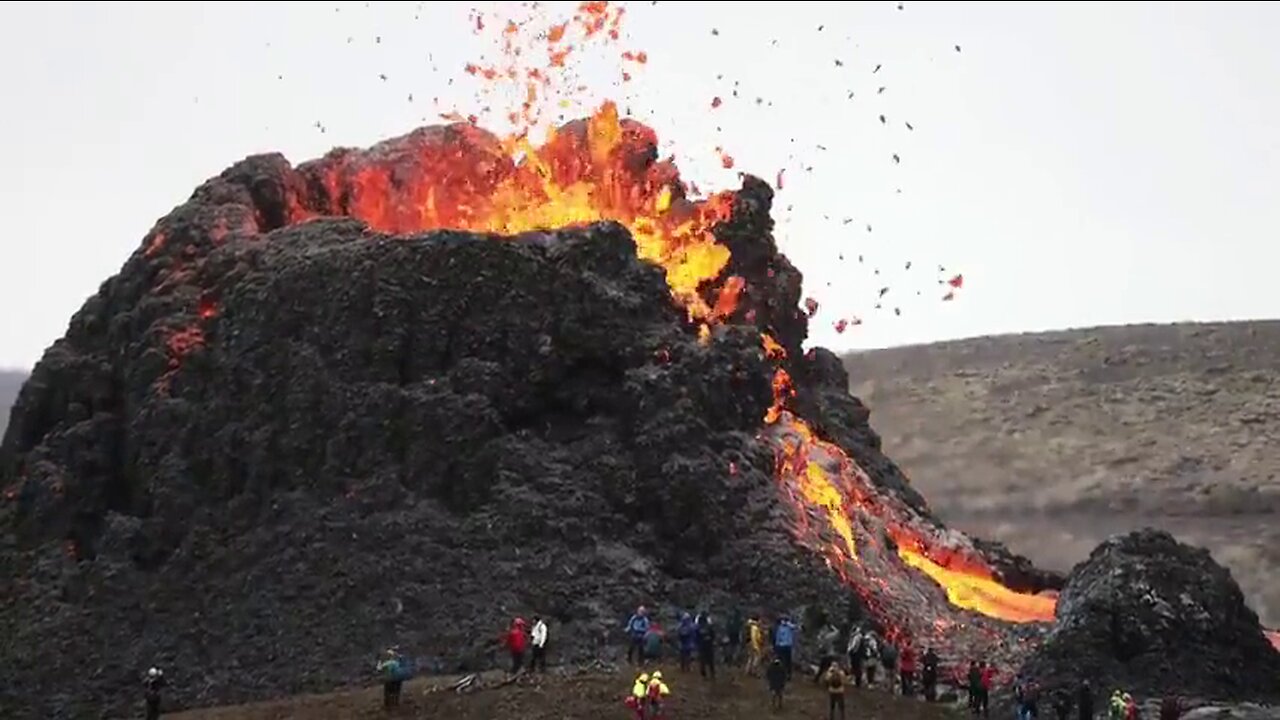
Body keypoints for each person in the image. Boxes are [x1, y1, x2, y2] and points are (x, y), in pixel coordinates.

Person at [773, 616, 797, 680]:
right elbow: (777, 637)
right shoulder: (786, 627)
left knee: (785, 661)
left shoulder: (784, 627)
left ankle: (784, 674)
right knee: (785, 661)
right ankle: (784, 674)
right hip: (785, 646)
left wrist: (776, 646)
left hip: (783, 646)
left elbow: (777, 638)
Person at [696, 612, 717, 680]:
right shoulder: (709, 627)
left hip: (703, 645)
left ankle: (704, 674)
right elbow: (713, 635)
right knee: (710, 660)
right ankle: (711, 674)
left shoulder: (699, 627)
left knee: (703, 661)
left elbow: (697, 637)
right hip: (708, 645)